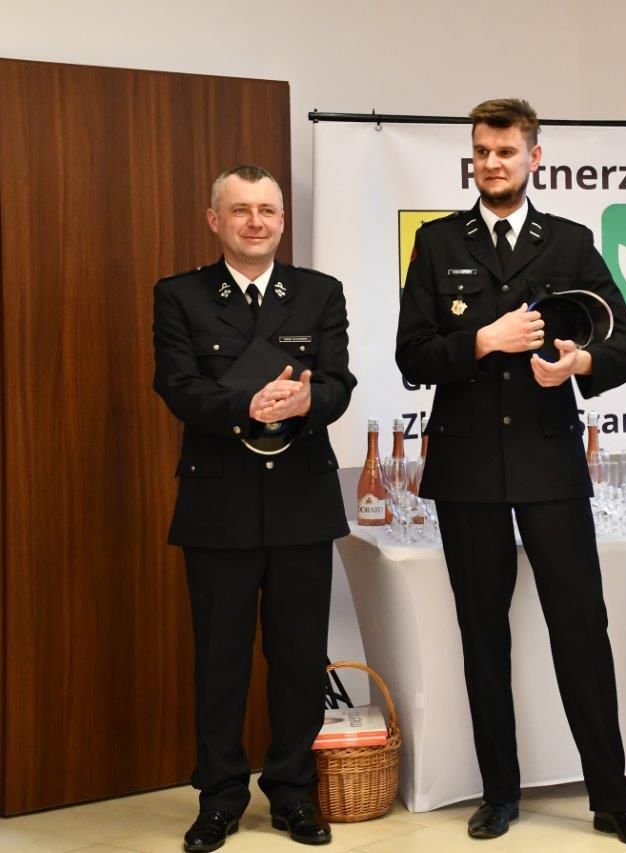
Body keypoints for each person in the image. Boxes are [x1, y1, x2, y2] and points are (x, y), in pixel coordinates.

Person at [394, 98, 626, 848]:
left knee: (582, 629)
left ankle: (612, 798)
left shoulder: (569, 242)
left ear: (534, 157)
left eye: (506, 151)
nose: (492, 163)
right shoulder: (438, 242)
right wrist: (482, 340)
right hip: (468, 465)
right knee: (482, 636)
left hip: (550, 463)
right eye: (482, 151)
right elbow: (412, 352)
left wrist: (579, 361)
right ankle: (499, 794)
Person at [153, 165, 357, 851]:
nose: (255, 222)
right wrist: (248, 402)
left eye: (267, 210)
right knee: (221, 661)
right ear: (215, 220)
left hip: (302, 502)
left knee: (299, 659)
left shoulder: (319, 292)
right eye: (240, 210)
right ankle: (219, 799)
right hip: (219, 503)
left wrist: (309, 399)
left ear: (282, 220)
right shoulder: (179, 295)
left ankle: (294, 794)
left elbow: (339, 382)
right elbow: (176, 385)